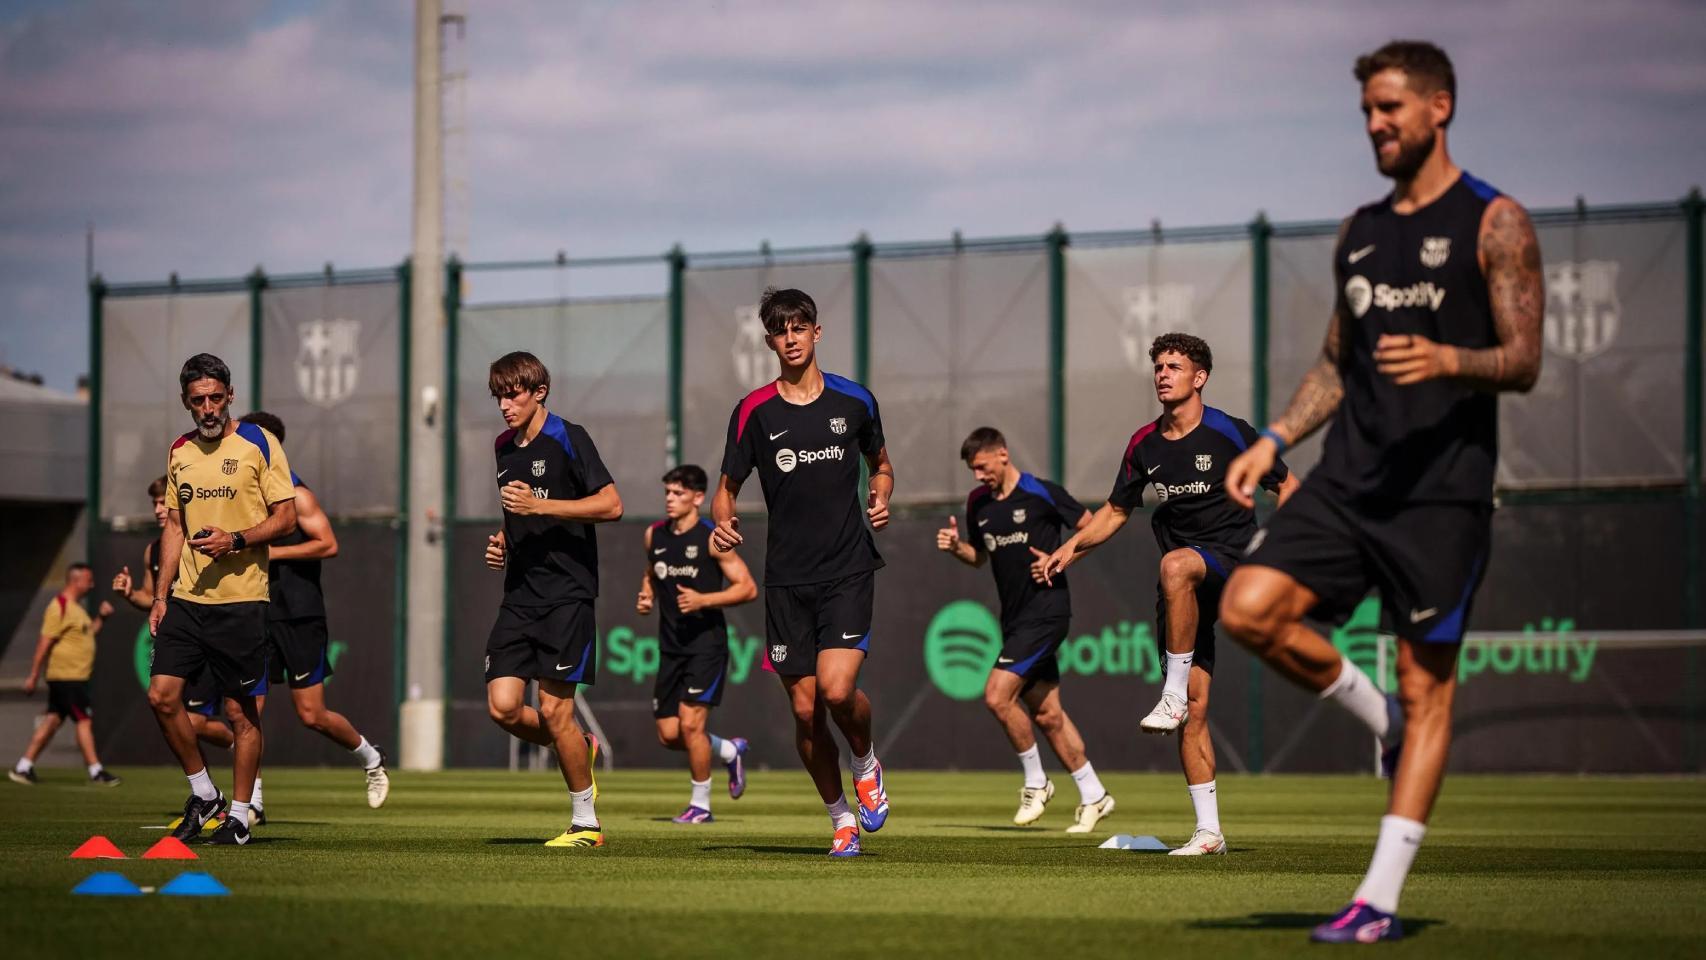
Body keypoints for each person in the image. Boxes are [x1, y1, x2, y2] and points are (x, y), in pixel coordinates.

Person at [1216, 40, 1543, 942]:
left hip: (1442, 496)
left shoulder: (1496, 221)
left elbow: (1525, 360)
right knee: (1247, 607)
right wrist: (1276, 438)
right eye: (1366, 110)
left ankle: (1379, 899)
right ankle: (1378, 719)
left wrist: (1446, 359)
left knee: (1428, 680)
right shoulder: (1361, 230)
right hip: (1347, 480)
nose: (1375, 125)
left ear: (1440, 107)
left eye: (1390, 107)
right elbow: (1334, 360)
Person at [1043, 333, 1296, 855]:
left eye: (1174, 366)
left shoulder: (1230, 432)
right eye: (1158, 366)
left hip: (1234, 561)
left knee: (1175, 564)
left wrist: (1286, 544)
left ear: (1199, 377)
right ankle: (1209, 833)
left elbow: (1287, 485)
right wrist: (1068, 549)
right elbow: (1116, 510)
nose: (1162, 374)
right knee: (1194, 712)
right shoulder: (1145, 445)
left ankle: (1172, 693)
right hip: (1185, 585)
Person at [710, 287, 894, 858]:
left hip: (846, 568)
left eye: (799, 327)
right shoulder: (753, 411)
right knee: (806, 709)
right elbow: (726, 490)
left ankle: (866, 762)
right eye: (779, 330)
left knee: (838, 691)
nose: (790, 337)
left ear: (817, 332)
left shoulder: (855, 401)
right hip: (786, 579)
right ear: (769, 340)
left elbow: (881, 465)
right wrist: (723, 523)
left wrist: (881, 496)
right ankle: (840, 819)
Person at [149, 353, 298, 845]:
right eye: (198, 401)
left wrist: (235, 539)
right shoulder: (178, 451)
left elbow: (286, 518)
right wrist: (160, 594)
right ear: (185, 403)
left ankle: (238, 816)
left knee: (239, 714)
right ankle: (203, 791)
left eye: (216, 398)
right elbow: (173, 523)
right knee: (162, 696)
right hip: (187, 598)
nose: (208, 408)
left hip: (242, 600)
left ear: (230, 396)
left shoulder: (259, 442)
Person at [936, 427, 1116, 831]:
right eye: (973, 470)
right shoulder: (978, 502)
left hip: (1047, 613)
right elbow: (979, 557)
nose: (979, 476)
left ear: (1002, 453)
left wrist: (1060, 558)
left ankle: (1037, 783)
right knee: (1048, 714)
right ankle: (1095, 795)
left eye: (982, 467)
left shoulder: (1041, 493)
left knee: (997, 696)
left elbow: (1094, 528)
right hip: (1014, 619)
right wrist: (955, 547)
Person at [481, 351, 623, 847]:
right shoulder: (503, 446)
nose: (504, 404)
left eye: (513, 393)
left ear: (538, 391)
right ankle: (576, 747)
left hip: (567, 595)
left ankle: (587, 824)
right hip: (519, 595)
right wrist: (505, 540)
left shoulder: (569, 437)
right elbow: (516, 514)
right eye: (498, 395)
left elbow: (612, 504)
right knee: (502, 707)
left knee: (556, 710)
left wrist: (542, 505)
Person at [237, 412, 390, 817]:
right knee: (246, 711)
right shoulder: (243, 493)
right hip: (257, 612)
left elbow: (328, 544)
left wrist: (272, 553)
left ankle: (371, 759)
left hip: (299, 614)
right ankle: (251, 804)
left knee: (312, 715)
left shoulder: (296, 493)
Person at [635, 464, 758, 823]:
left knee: (691, 726)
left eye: (678, 494)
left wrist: (704, 600)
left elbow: (747, 587)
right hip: (670, 646)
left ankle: (701, 805)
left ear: (698, 498)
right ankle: (729, 751)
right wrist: (647, 595)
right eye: (667, 493)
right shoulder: (653, 535)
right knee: (670, 734)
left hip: (706, 645)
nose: (670, 500)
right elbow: (651, 572)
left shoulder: (709, 538)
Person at [113, 476, 233, 752]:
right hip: (172, 642)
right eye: (154, 503)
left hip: (204, 638)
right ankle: (205, 791)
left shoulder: (200, 541)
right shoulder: (153, 551)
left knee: (194, 722)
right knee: (170, 714)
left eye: (162, 503)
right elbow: (151, 597)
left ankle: (242, 747)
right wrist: (130, 594)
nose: (157, 509)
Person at [9, 564, 121, 786]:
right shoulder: (58, 606)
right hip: (67, 677)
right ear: (76, 580)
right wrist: (33, 675)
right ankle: (96, 770)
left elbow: (88, 634)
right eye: (88, 580)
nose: (92, 584)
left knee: (52, 721)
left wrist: (101, 617)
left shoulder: (76, 609)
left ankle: (23, 767)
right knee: (84, 720)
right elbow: (44, 642)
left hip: (73, 677)